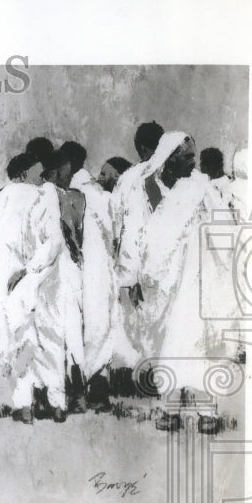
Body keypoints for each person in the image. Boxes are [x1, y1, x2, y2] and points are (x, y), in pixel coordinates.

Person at [137, 132, 232, 431]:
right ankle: (171, 409)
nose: (193, 161)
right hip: (171, 284)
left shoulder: (198, 187)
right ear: (171, 157)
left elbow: (223, 228)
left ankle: (205, 413)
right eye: (187, 156)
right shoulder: (155, 188)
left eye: (193, 156)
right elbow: (154, 239)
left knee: (197, 341)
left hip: (198, 280)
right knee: (172, 341)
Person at [0, 150, 44, 423]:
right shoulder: (34, 197)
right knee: (26, 338)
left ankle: (8, 401)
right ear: (25, 174)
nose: (41, 180)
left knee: (1, 339)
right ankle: (24, 404)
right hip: (21, 277)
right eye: (38, 174)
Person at [26, 143, 86, 420]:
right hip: (71, 272)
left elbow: (48, 241)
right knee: (70, 335)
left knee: (46, 336)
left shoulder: (43, 195)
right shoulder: (73, 198)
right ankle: (72, 396)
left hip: (50, 274)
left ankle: (54, 401)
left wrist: (29, 269)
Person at [109, 120, 165, 394]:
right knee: (158, 316)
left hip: (131, 258)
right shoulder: (173, 176)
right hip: (161, 260)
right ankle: (156, 375)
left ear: (140, 147)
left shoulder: (129, 178)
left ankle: (125, 375)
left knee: (128, 319)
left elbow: (115, 219)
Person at [66, 141, 118, 409]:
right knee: (100, 326)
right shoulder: (102, 196)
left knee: (72, 327)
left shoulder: (63, 194)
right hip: (100, 272)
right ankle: (97, 388)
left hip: (72, 270)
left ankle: (74, 391)